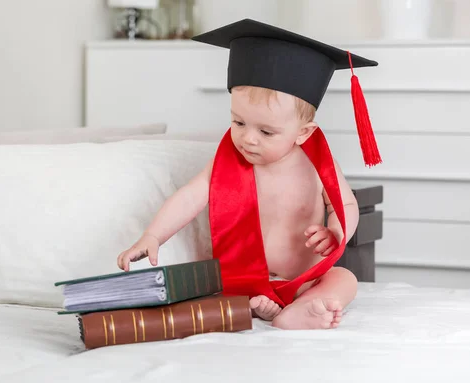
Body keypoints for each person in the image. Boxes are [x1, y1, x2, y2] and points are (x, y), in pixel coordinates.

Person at [116, 19, 381, 330]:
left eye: (266, 131)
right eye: (238, 122)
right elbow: (191, 195)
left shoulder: (316, 164)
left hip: (302, 280)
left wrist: (336, 232)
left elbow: (345, 206)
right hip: (245, 281)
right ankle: (263, 309)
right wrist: (154, 235)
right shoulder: (229, 159)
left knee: (344, 279)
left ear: (303, 133)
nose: (248, 139)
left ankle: (303, 309)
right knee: (209, 284)